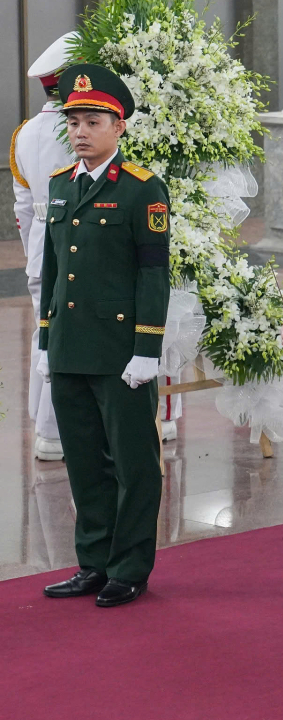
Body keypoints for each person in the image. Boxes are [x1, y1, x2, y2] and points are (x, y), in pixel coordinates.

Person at [37, 64, 170, 608]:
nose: (81, 132)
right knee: (85, 463)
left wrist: (147, 348)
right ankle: (93, 562)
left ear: (119, 127)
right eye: (74, 122)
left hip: (120, 353)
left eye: (93, 122)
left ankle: (129, 567)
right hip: (70, 346)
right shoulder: (59, 185)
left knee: (133, 464)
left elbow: (153, 273)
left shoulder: (142, 188)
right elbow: (52, 269)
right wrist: (46, 340)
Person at [10, 32, 75, 462]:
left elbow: (22, 208)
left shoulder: (24, 133)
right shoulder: (84, 129)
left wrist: (34, 249)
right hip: (76, 245)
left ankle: (43, 426)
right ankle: (56, 433)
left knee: (44, 330)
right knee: (69, 336)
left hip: (39, 245)